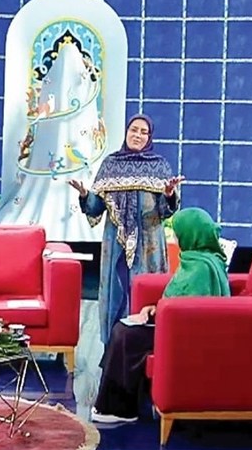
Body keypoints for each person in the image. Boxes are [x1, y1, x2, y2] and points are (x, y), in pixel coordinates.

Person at [91, 207, 231, 423]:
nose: (175, 239)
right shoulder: (196, 258)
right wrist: (153, 309)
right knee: (122, 330)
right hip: (171, 323)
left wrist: (159, 313)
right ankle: (112, 405)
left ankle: (120, 409)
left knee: (126, 335)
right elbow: (180, 300)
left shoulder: (203, 268)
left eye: (178, 233)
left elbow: (192, 310)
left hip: (185, 334)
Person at [69, 113, 185, 345]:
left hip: (149, 245)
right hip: (116, 245)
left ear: (149, 137)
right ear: (126, 132)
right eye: (134, 130)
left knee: (145, 292)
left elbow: (166, 211)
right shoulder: (111, 164)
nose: (138, 135)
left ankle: (147, 347)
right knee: (117, 292)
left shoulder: (159, 166)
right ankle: (114, 348)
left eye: (144, 132)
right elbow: (96, 207)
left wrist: (169, 195)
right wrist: (85, 195)